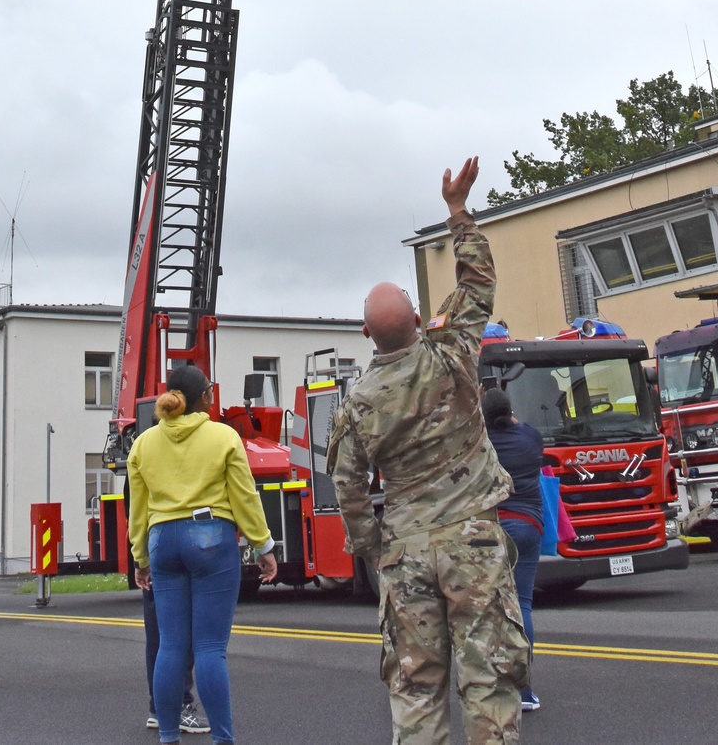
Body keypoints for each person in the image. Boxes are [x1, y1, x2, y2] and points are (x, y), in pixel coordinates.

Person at [328, 157, 529, 745]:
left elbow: (349, 488)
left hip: (407, 551)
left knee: (416, 691)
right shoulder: (453, 353)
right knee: (487, 683)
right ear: (418, 319)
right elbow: (478, 283)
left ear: (365, 334)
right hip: (473, 541)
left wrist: (371, 551)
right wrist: (458, 211)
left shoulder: (358, 405)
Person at [127, 363, 278, 745]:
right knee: (210, 648)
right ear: (206, 398)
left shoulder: (143, 443)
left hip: (163, 542)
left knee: (171, 646)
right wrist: (263, 545)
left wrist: (140, 557)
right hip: (210, 537)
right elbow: (244, 496)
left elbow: (138, 510)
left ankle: (167, 736)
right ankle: (223, 740)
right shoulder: (223, 437)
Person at [481, 387, 544, 713]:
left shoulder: (481, 443)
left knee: (490, 608)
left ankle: (493, 686)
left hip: (490, 531)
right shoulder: (530, 439)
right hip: (528, 527)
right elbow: (519, 425)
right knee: (522, 604)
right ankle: (524, 690)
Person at [141, 584, 208, 732]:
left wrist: (139, 564)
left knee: (157, 632)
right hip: (180, 566)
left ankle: (158, 709)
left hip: (153, 564)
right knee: (180, 631)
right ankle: (179, 707)